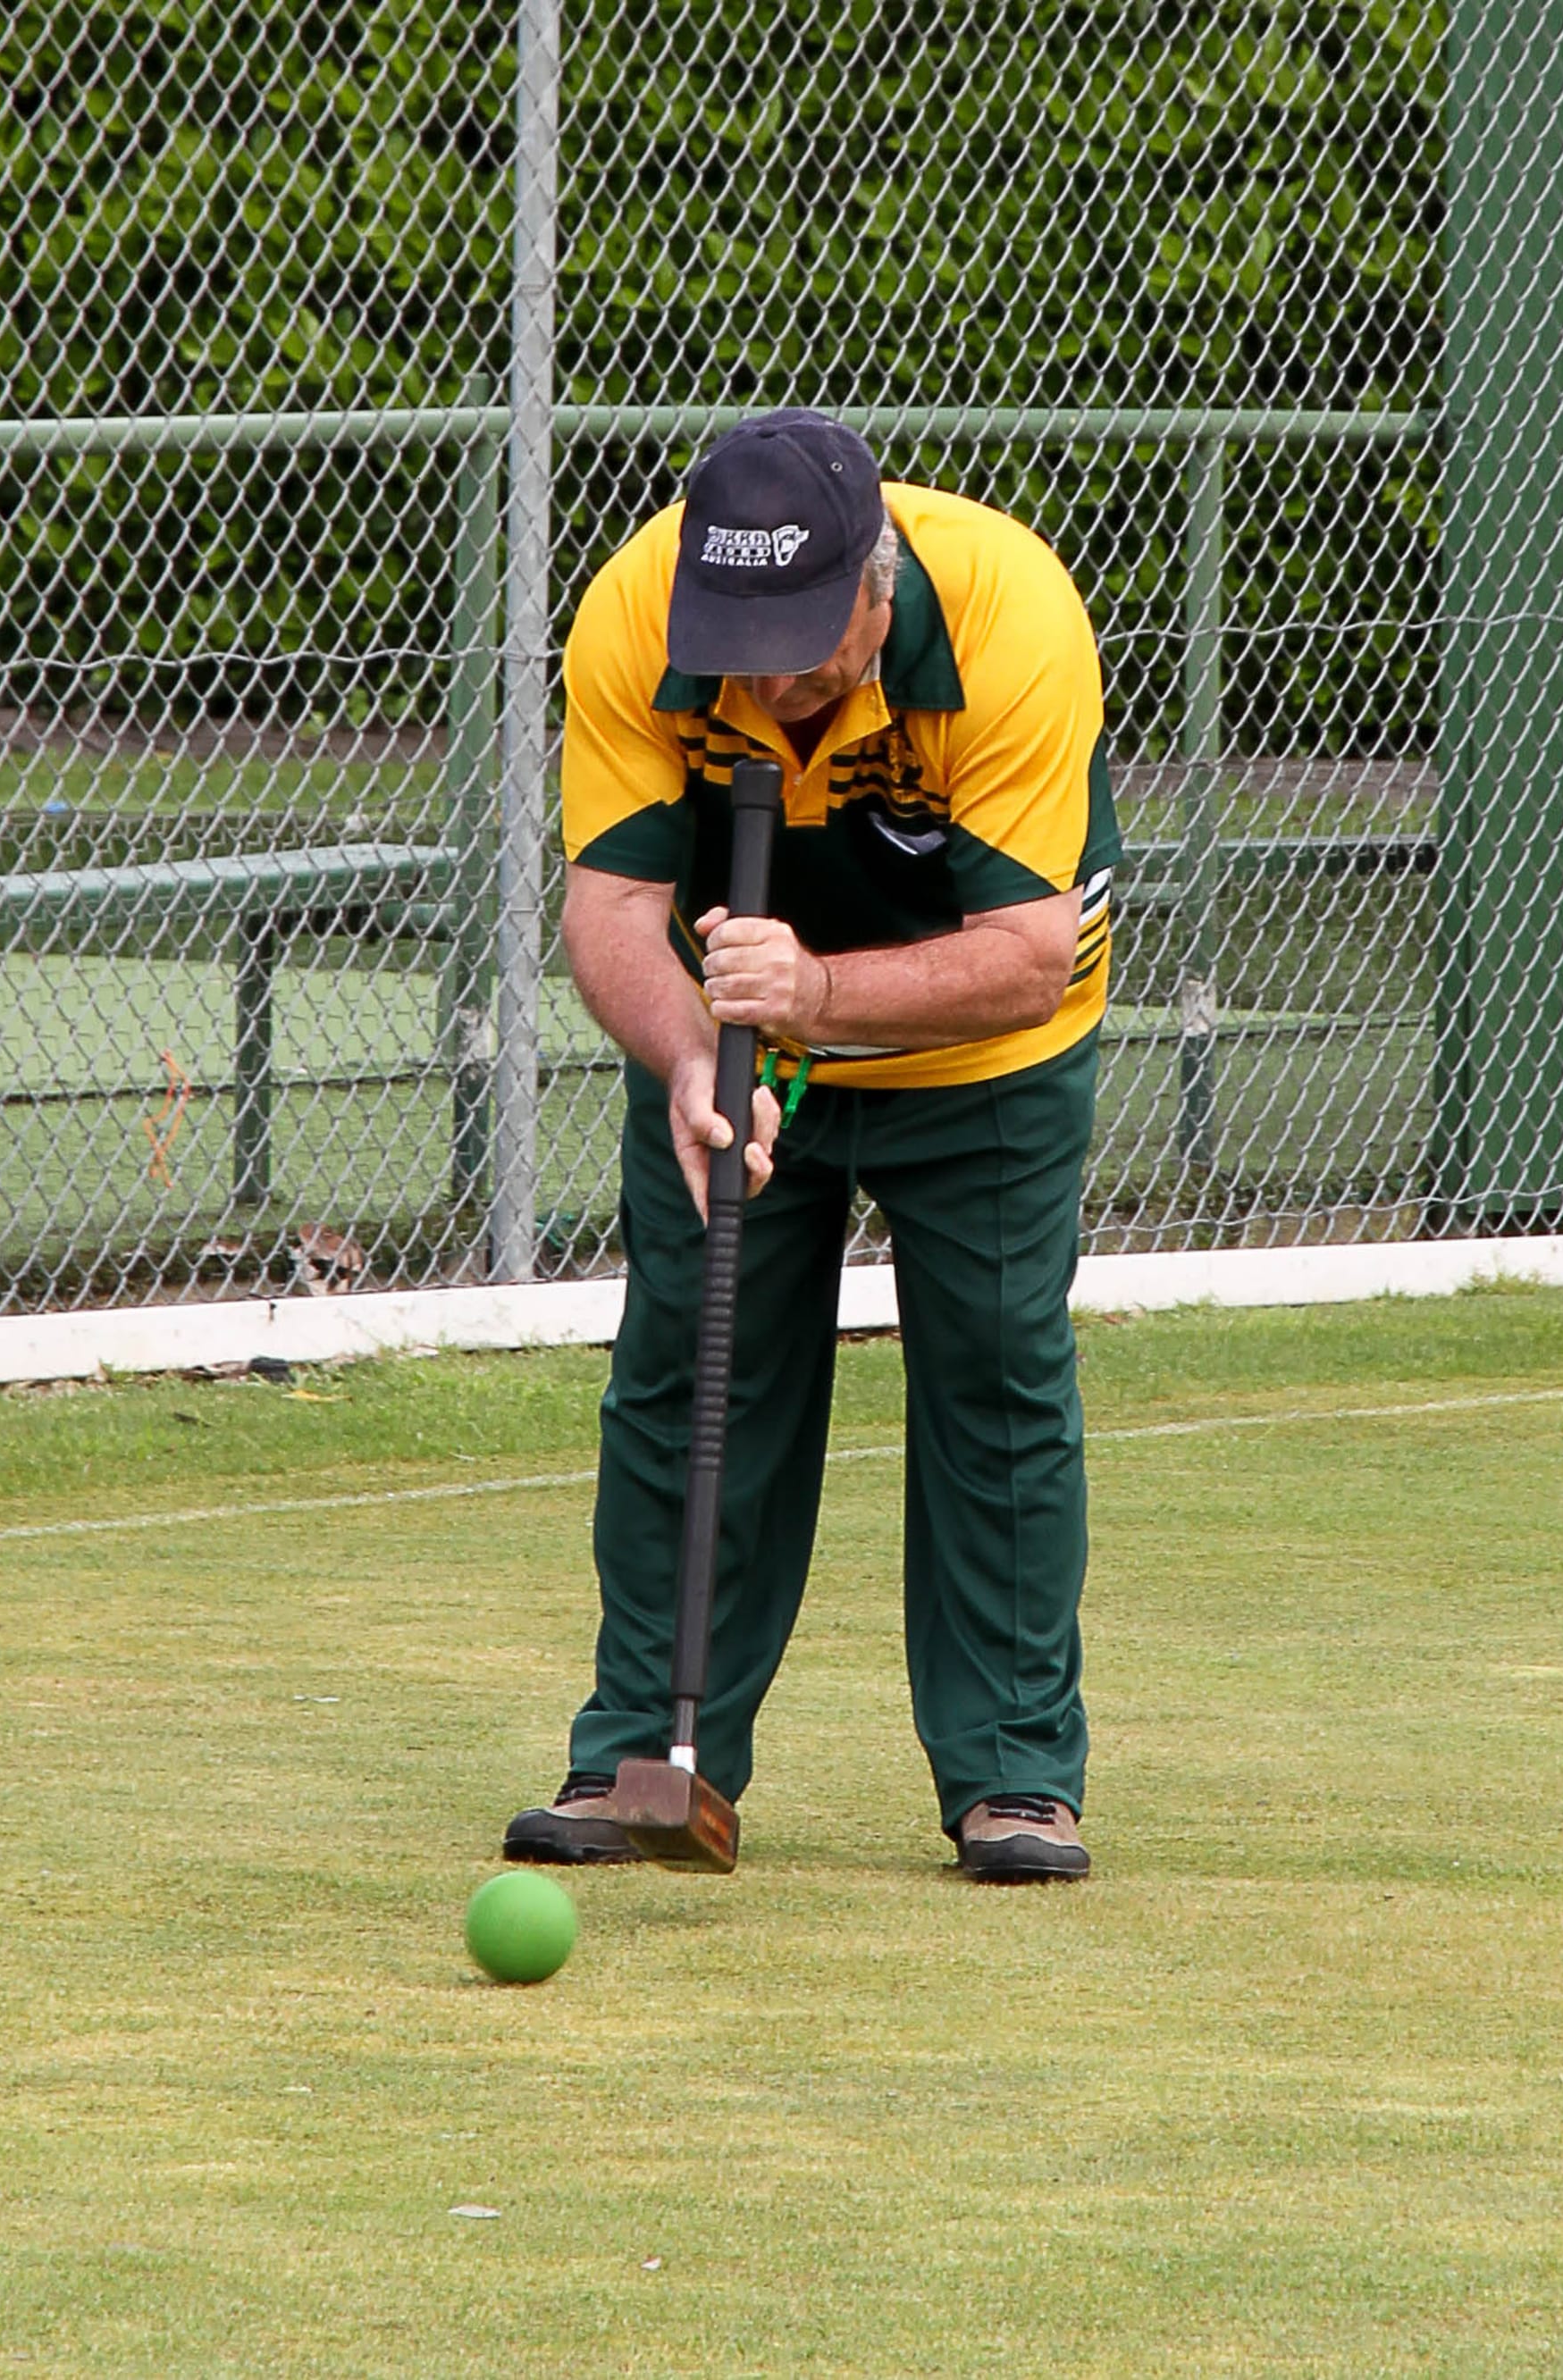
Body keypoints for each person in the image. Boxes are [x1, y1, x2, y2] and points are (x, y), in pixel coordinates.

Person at [503, 409, 1121, 1881]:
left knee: (992, 1370)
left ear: (877, 579)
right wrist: (693, 1062)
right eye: (742, 636)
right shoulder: (637, 611)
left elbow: (1030, 951)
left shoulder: (1009, 608)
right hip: (737, 1029)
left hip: (978, 1034)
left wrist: (824, 997)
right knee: (691, 1368)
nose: (769, 679)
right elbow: (607, 909)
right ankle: (642, 1755)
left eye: (802, 636)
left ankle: (1016, 1775)